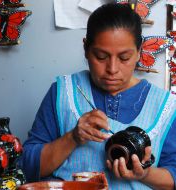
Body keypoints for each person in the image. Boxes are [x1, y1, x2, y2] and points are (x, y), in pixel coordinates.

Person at [18, 3, 176, 189]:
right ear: (86, 48)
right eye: (101, 56)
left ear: (139, 52)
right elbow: (27, 167)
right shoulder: (63, 92)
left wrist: (145, 174)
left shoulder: (166, 106)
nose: (112, 69)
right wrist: (72, 138)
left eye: (124, 57)